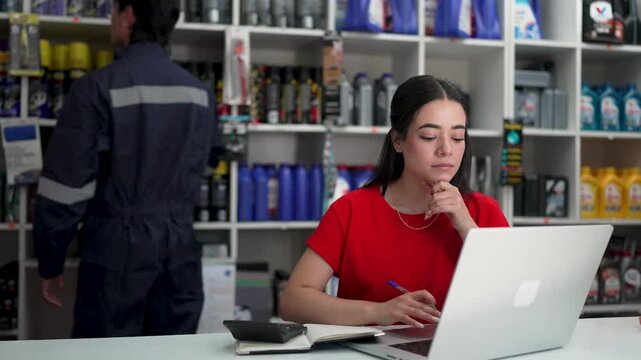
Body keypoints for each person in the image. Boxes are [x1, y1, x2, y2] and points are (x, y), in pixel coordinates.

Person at [33, 0, 223, 337]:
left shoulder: (95, 89)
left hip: (117, 250)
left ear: (129, 15)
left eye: (112, 13)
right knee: (173, 353)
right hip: (180, 249)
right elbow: (209, 162)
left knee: (107, 353)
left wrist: (50, 258)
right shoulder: (200, 94)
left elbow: (64, 188)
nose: (111, 22)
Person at [279, 75, 508, 328]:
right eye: (430, 136)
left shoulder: (483, 211)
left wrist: (467, 228)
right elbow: (293, 302)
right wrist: (379, 312)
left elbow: (512, 297)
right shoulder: (351, 210)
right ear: (398, 140)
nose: (446, 150)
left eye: (457, 138)